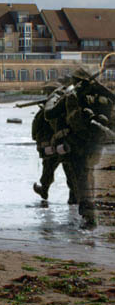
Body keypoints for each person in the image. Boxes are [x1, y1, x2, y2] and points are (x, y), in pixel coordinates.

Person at [38, 68, 115, 227]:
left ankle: (88, 216)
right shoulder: (103, 97)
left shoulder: (71, 96)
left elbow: (49, 114)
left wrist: (56, 98)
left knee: (80, 177)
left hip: (77, 143)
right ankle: (83, 208)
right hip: (96, 142)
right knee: (88, 174)